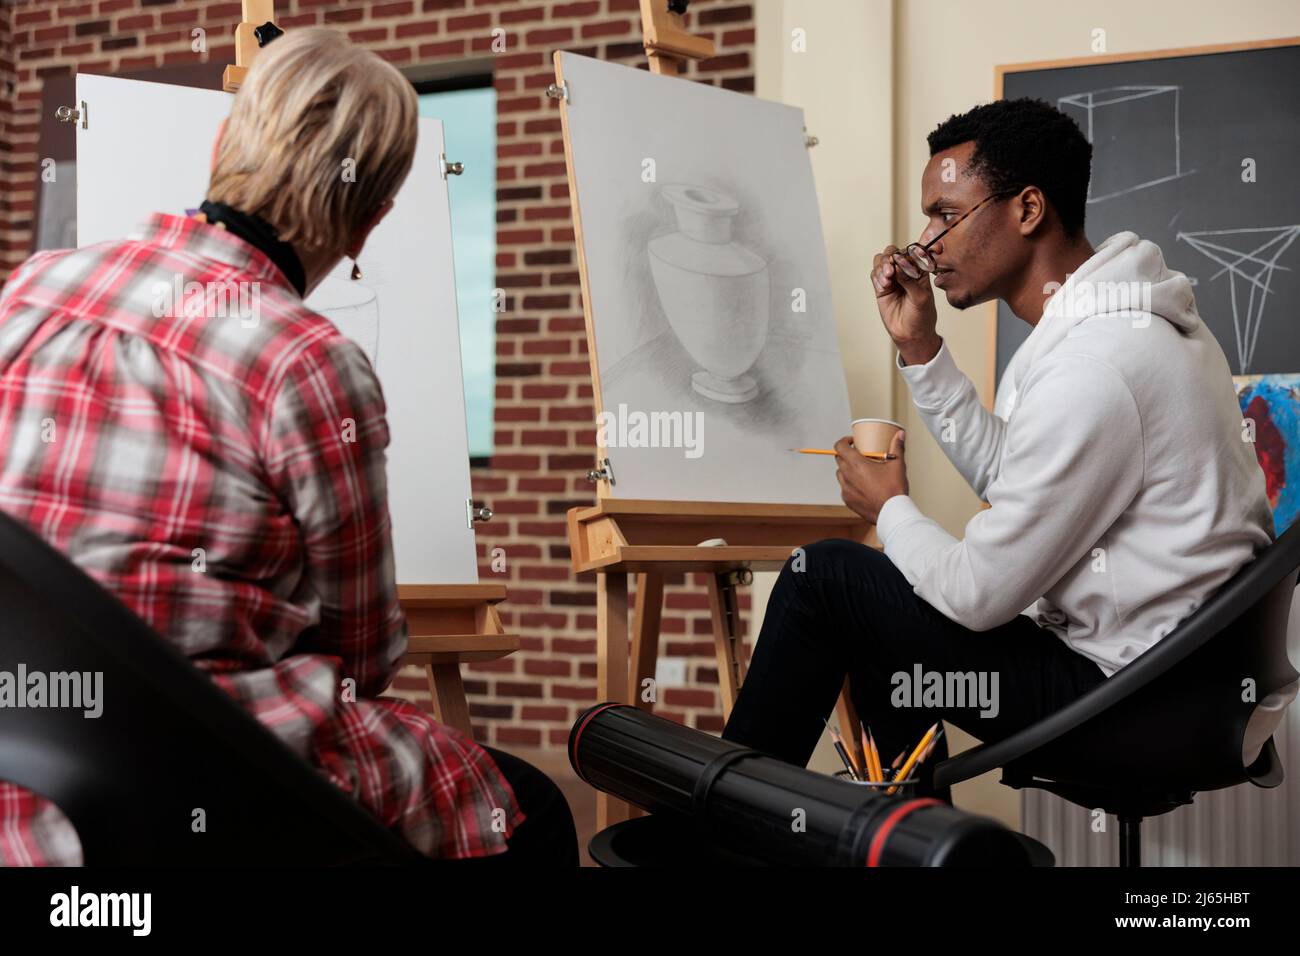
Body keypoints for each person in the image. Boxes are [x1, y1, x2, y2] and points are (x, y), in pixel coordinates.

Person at [0, 27, 576, 866]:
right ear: (370, 222)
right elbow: (363, 656)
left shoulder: (32, 286)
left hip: (28, 775)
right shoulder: (306, 361)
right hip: (199, 779)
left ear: (221, 145)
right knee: (531, 809)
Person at [722, 97, 1292, 800]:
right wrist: (923, 351)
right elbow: (1027, 477)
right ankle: (914, 845)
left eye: (945, 214)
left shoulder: (1097, 365)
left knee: (826, 577)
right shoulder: (1124, 322)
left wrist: (891, 508)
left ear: (1027, 210)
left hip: (1140, 702)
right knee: (878, 612)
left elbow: (979, 592)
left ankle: (722, 828)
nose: (926, 242)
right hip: (1188, 686)